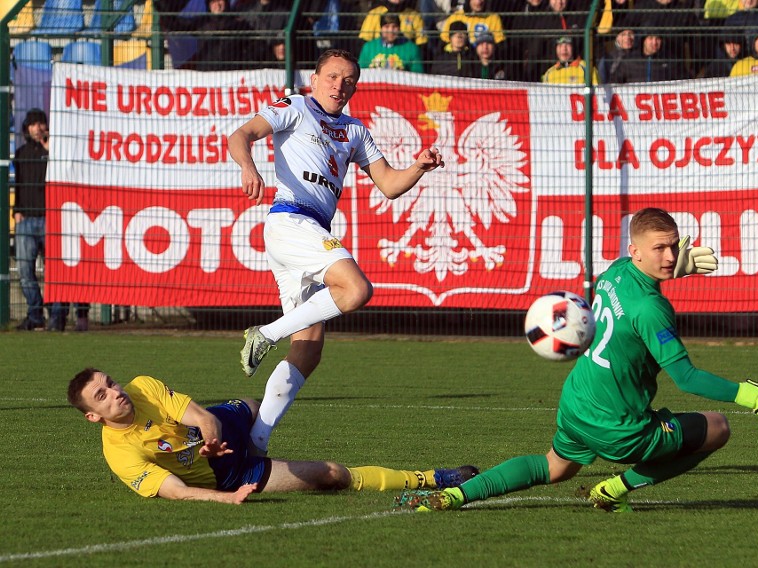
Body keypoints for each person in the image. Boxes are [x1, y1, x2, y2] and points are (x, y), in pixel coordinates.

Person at [395, 207, 758, 513]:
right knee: (717, 428)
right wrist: (752, 395)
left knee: (554, 467)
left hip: (577, 404)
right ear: (635, 250)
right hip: (620, 428)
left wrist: (674, 270)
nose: (671, 255)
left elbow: (636, 291)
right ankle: (617, 489)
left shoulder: (614, 272)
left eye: (674, 245)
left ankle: (453, 496)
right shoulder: (652, 309)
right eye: (660, 248)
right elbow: (687, 378)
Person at [227, 49, 444, 453]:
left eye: (348, 80)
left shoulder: (356, 131)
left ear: (355, 88)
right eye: (331, 76)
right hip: (291, 220)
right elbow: (240, 135)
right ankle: (266, 333)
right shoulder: (293, 107)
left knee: (309, 347)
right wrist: (248, 166)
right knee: (357, 289)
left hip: (309, 231)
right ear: (314, 80)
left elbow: (390, 185)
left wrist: (418, 166)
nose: (338, 85)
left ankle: (256, 444)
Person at [67, 368, 478, 503]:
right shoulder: (119, 453)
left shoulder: (142, 386)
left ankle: (253, 432)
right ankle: (434, 479)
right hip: (228, 474)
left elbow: (201, 416)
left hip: (218, 428)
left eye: (112, 383)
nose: (116, 393)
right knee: (331, 474)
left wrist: (210, 437)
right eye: (102, 395)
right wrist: (228, 497)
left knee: (252, 404)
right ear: (92, 416)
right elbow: (176, 490)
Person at [12, 108, 65, 332]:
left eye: (41, 123)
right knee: (25, 270)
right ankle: (35, 314)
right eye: (33, 124)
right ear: (27, 128)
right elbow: (19, 184)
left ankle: (57, 317)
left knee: (56, 271)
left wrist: (51, 151)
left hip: (50, 219)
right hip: (27, 219)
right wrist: (17, 210)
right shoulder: (22, 153)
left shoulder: (55, 152)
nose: (37, 128)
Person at [358, 12, 425, 72]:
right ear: (381, 29)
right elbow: (361, 72)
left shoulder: (412, 48)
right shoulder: (368, 47)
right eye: (387, 27)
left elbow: (418, 75)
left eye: (394, 27)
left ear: (399, 28)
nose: (391, 30)